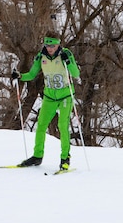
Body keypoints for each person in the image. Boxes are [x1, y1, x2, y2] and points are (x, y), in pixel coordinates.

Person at [11, 31, 80, 170]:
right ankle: (37, 156)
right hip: (49, 96)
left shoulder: (66, 53)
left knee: (62, 125)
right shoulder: (40, 56)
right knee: (41, 125)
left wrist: (68, 61)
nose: (49, 48)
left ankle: (65, 158)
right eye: (47, 45)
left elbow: (75, 74)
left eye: (52, 45)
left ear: (58, 44)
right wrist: (19, 76)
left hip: (65, 95)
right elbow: (31, 74)